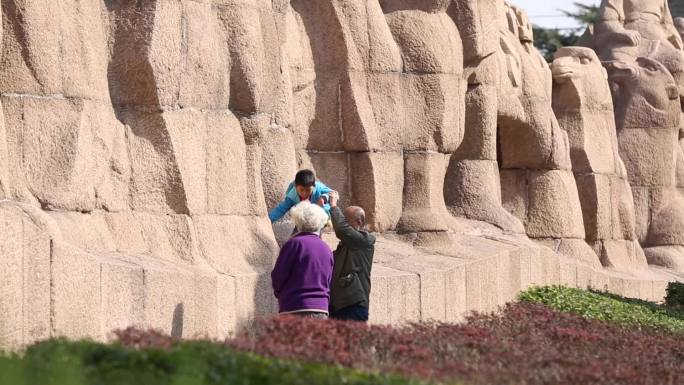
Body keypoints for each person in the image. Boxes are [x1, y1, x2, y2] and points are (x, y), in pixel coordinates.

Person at [271, 201, 333, 319]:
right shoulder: (326, 248)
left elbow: (278, 276)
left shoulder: (294, 244)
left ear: (298, 221)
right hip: (321, 309)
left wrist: (280, 294)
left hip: (294, 306)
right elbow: (328, 279)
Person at [328, 191, 375, 322]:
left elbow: (342, 229)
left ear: (358, 221)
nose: (342, 222)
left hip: (354, 304)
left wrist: (333, 206)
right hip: (338, 304)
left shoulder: (364, 241)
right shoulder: (346, 245)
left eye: (345, 219)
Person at [268, 169, 333, 222]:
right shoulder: (292, 196)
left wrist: (323, 198)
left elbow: (334, 193)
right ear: (296, 187)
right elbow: (281, 209)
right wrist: (268, 220)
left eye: (308, 190)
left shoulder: (319, 187)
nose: (304, 193)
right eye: (301, 190)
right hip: (303, 217)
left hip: (320, 216)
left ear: (314, 186)